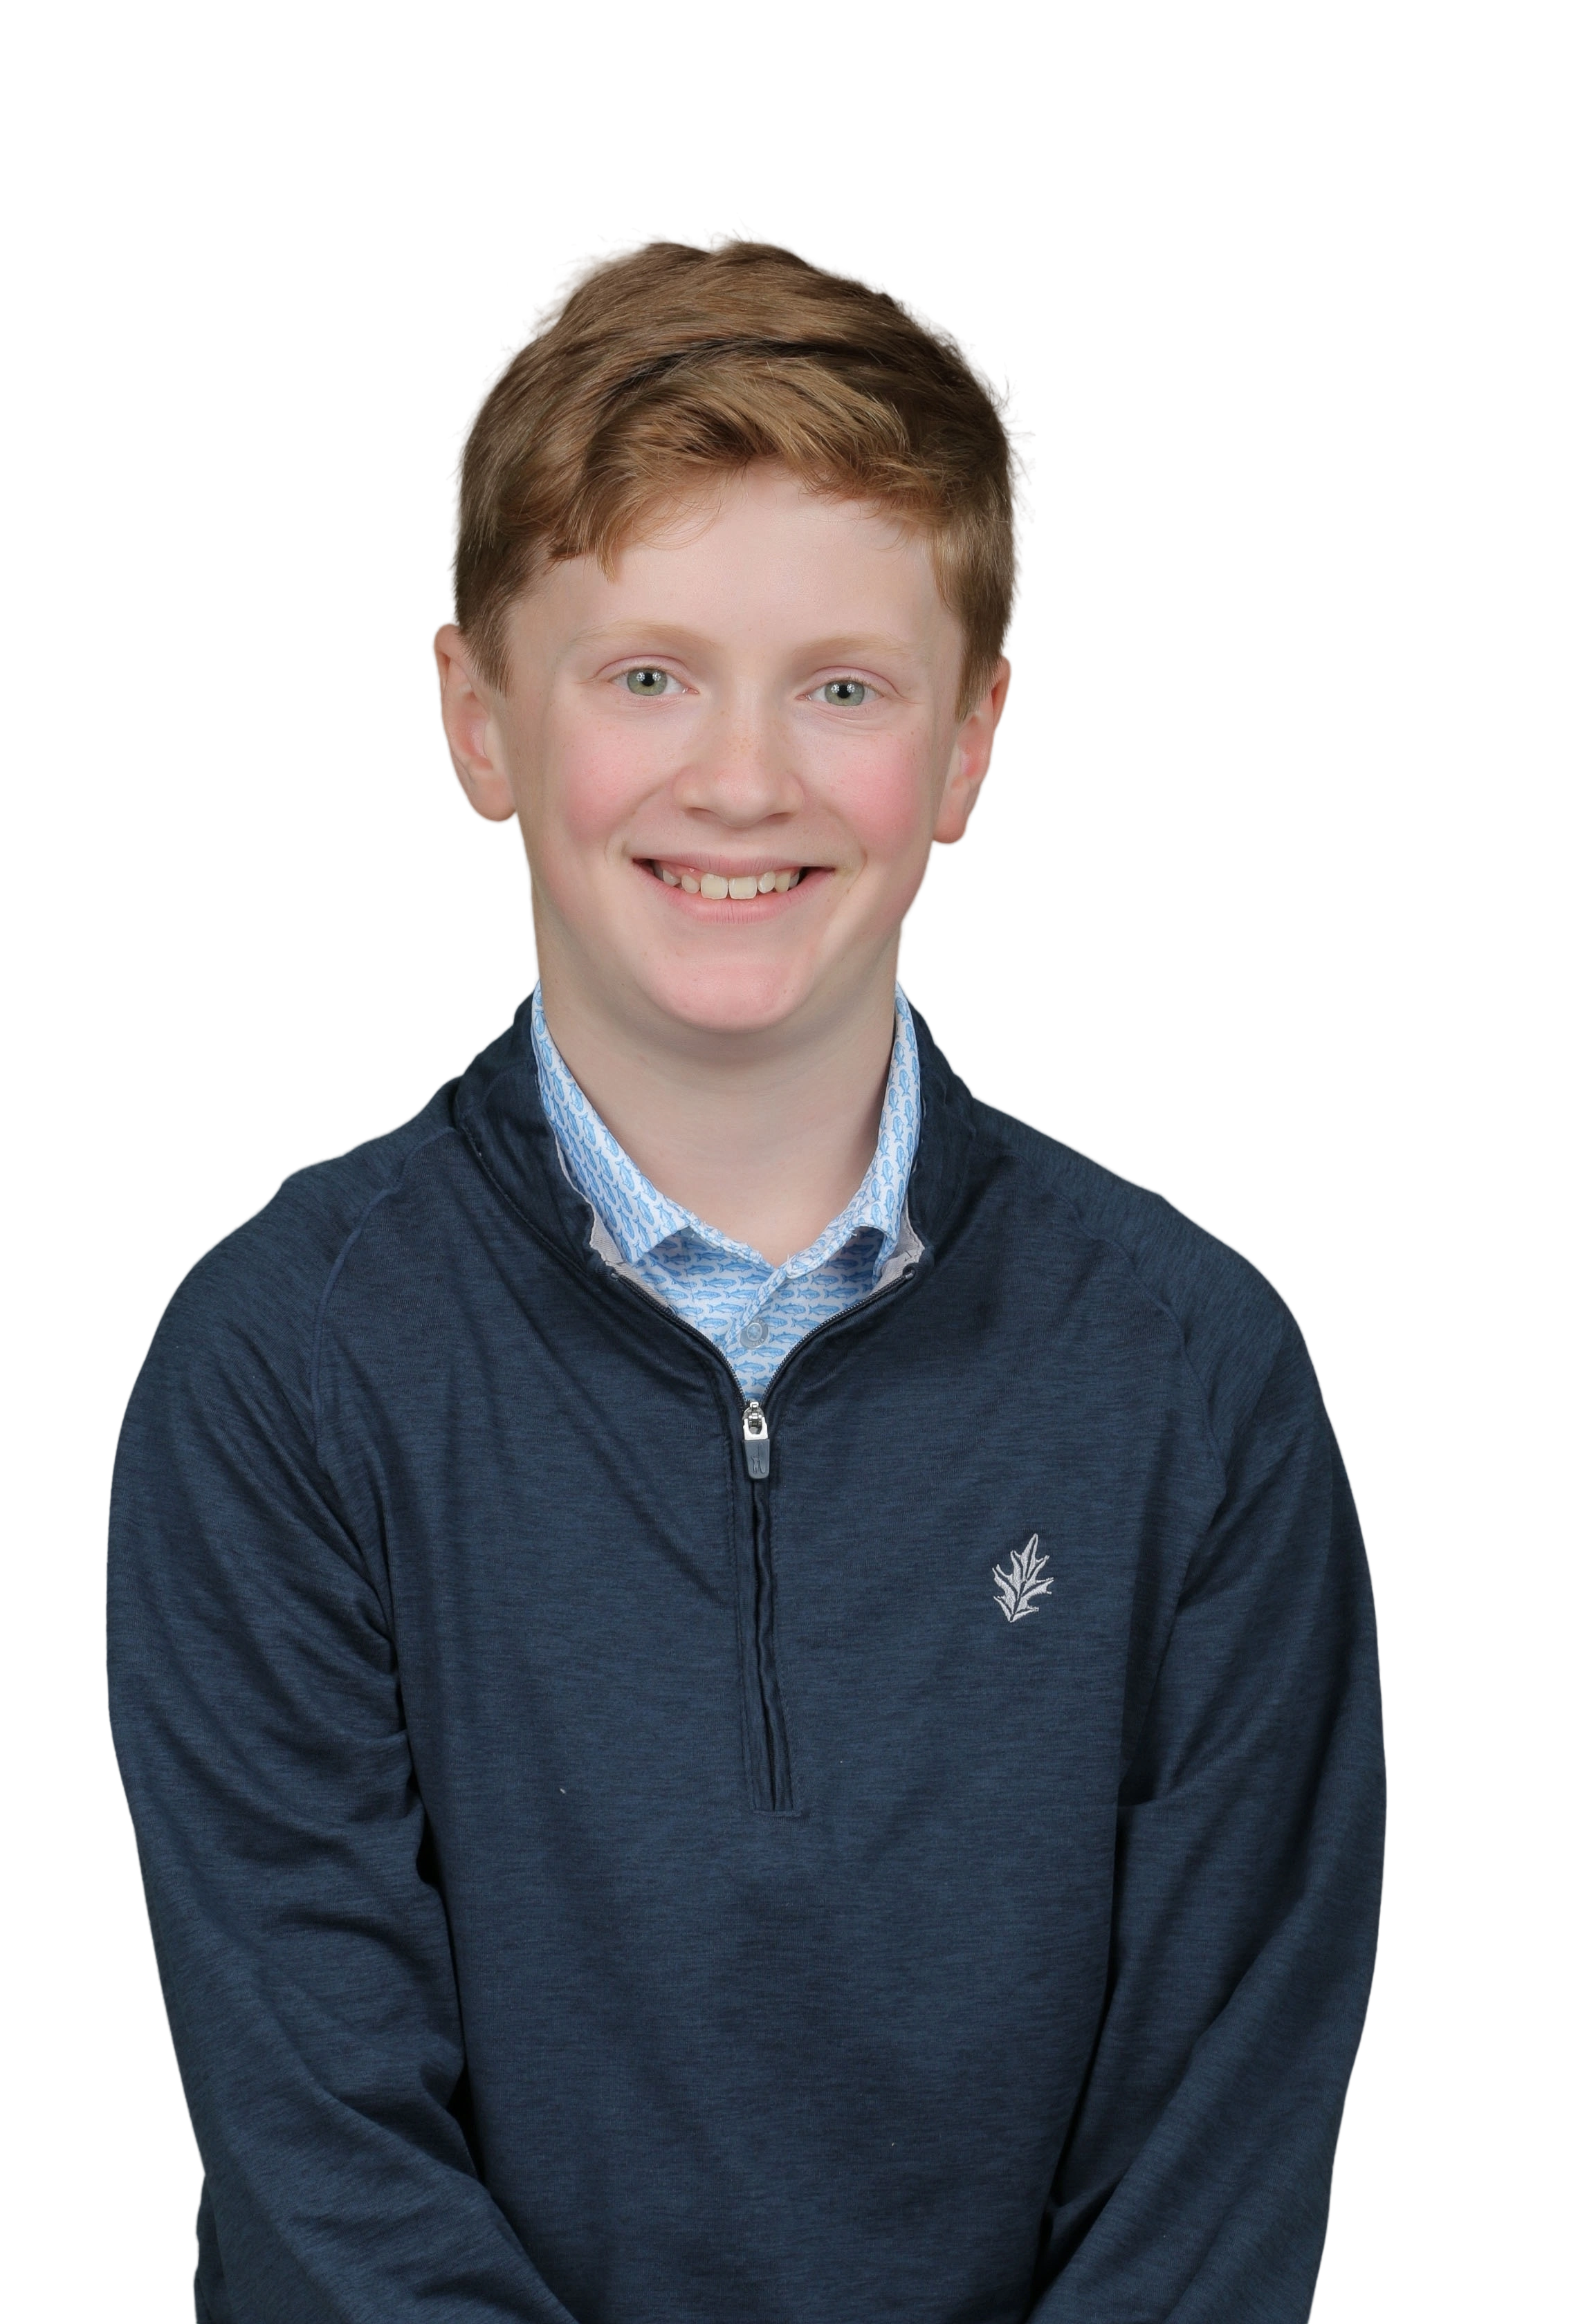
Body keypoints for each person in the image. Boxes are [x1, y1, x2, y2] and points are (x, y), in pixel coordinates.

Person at [102, 221, 1389, 2324]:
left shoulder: (1195, 1376)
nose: (741, 779)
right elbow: (328, 2168)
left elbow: (1216, 2174)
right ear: (479, 720)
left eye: (844, 688)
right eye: (647, 675)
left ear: (969, 744)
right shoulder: (281, 1367)